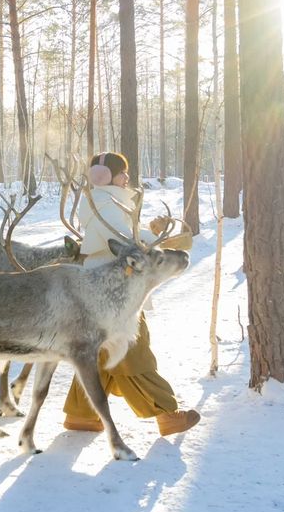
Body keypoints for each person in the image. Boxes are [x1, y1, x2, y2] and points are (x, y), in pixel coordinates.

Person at [63, 151, 201, 437]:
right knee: (133, 350)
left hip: (103, 287)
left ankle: (82, 414)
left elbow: (124, 234)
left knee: (101, 352)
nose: (127, 177)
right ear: (107, 176)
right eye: (122, 172)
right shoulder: (105, 203)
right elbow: (127, 241)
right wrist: (170, 241)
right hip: (115, 290)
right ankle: (166, 414)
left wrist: (153, 232)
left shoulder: (102, 201)